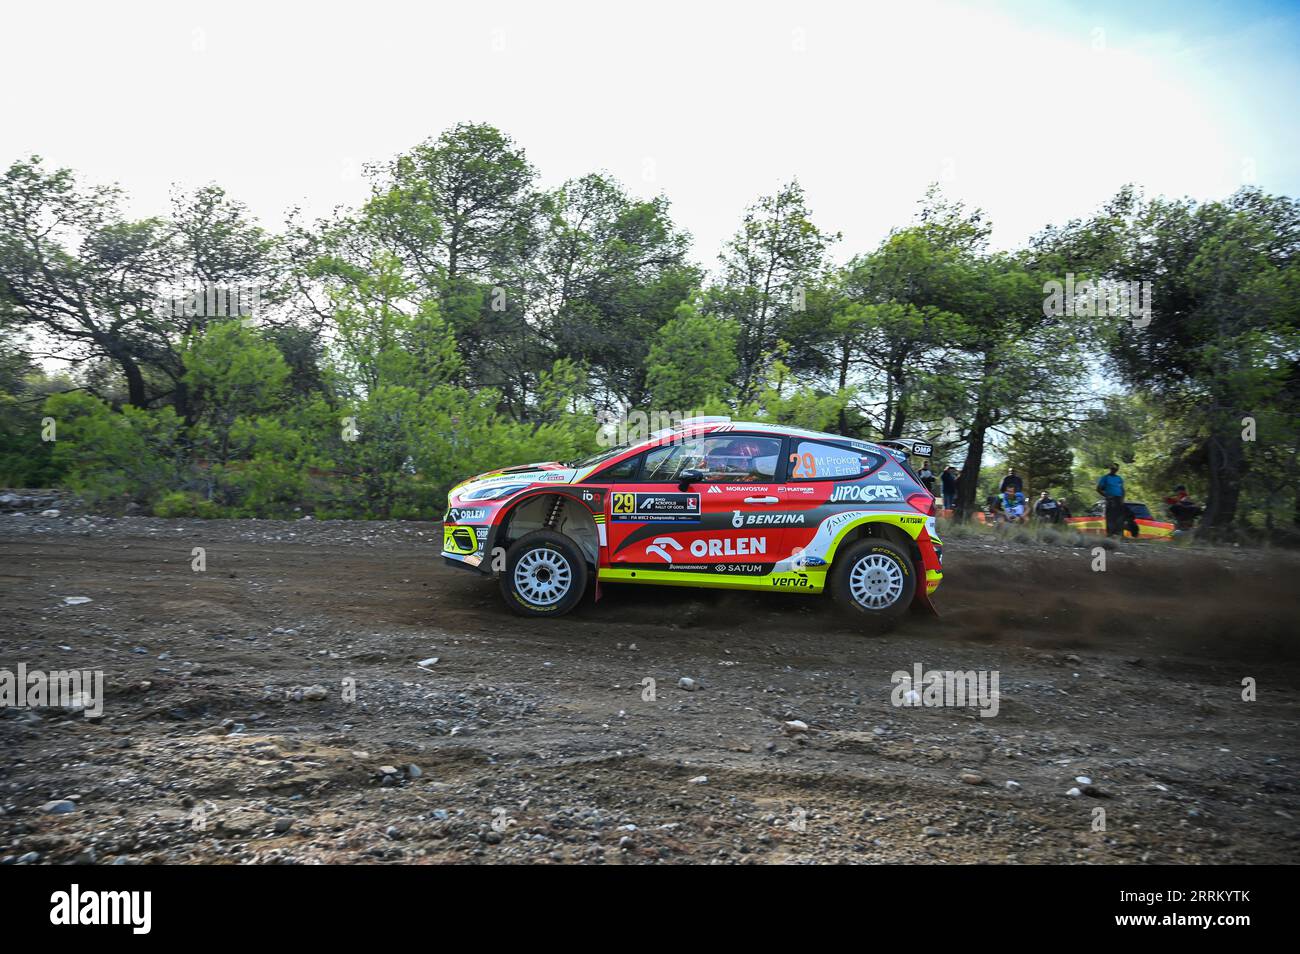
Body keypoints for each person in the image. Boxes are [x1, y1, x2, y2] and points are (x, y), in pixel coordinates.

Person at [1096, 463, 1126, 538]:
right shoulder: (1105, 478)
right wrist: (1107, 496)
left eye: (1116, 469)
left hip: (1118, 499)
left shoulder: (1119, 478)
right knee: (1110, 516)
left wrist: (1122, 499)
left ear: (1117, 470)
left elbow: (1122, 489)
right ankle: (1110, 534)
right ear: (1110, 469)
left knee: (1120, 517)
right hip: (1110, 499)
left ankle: (1119, 534)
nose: (1114, 470)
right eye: (1113, 468)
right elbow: (1098, 489)